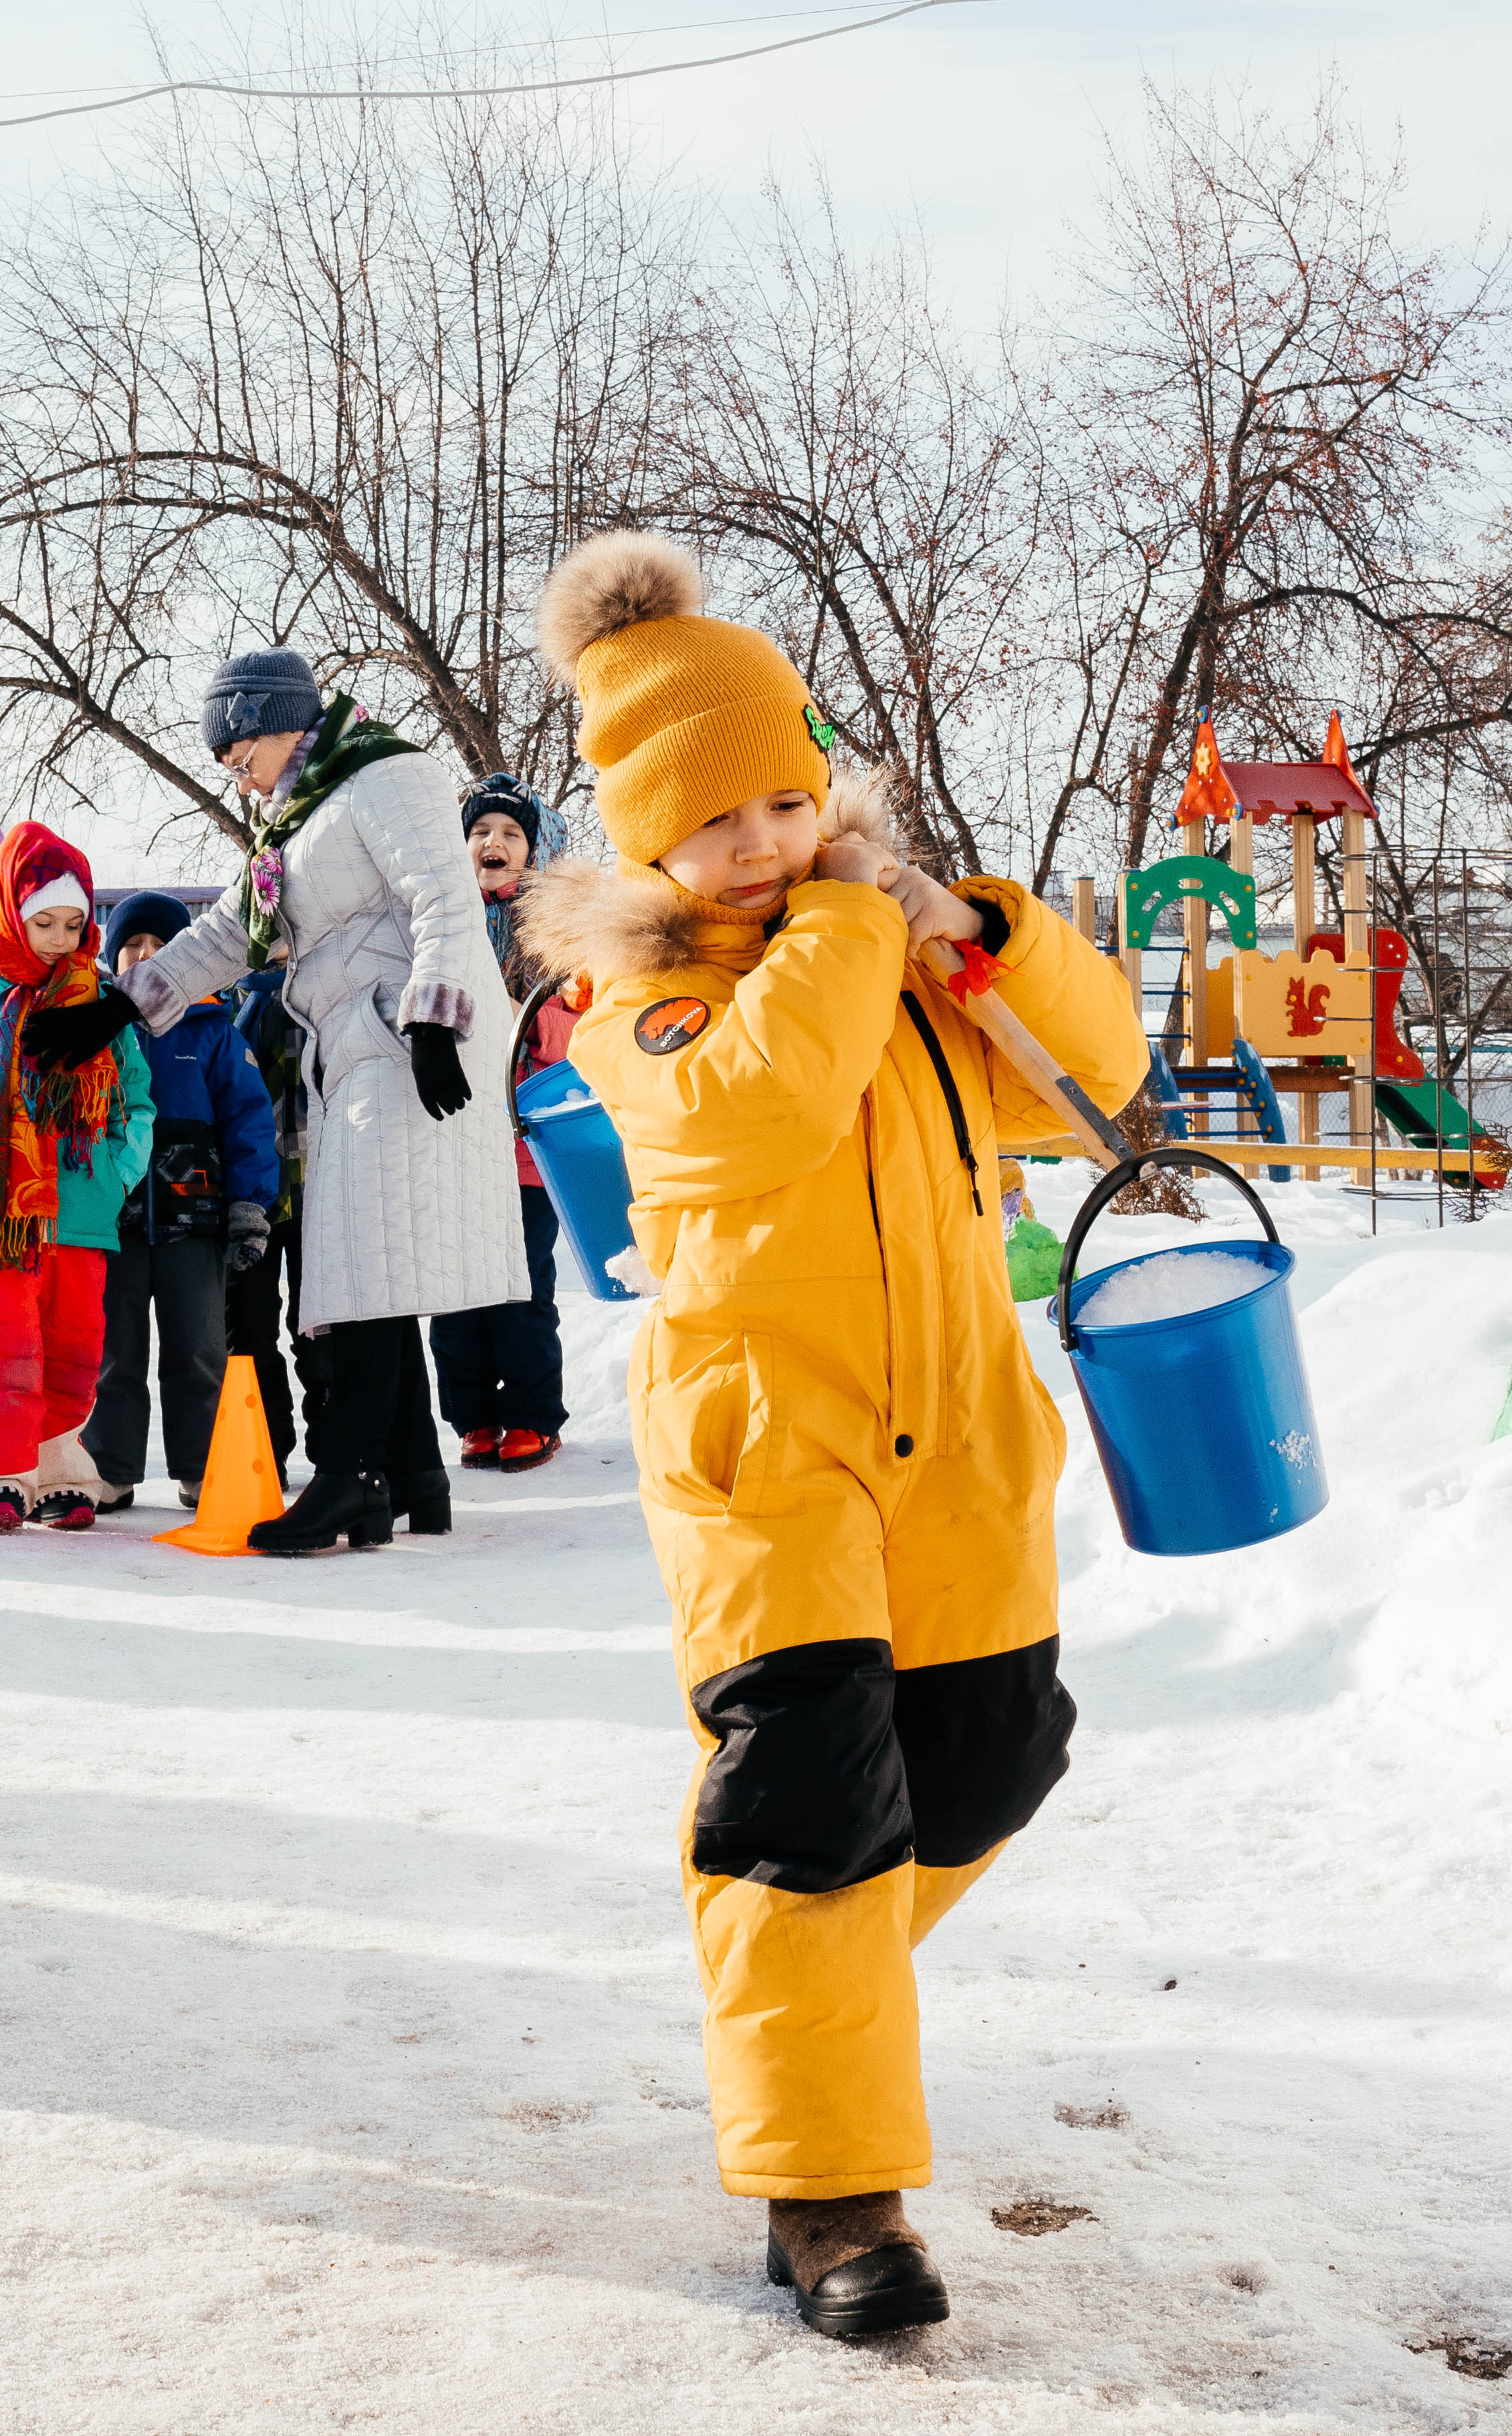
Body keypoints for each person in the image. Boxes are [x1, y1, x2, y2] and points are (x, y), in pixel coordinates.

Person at [520, 533, 1148, 2337]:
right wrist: (859, 922)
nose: (762, 845)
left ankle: (795, 2000)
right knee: (808, 1812)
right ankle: (832, 2199)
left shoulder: (893, 950)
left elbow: (1093, 1079)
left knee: (991, 1759)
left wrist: (990, 933)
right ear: (649, 843)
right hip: (767, 1460)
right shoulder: (640, 998)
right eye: (715, 822)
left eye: (788, 804)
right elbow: (763, 1104)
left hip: (957, 1443)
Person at [28, 646, 528, 1554]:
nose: (238, 776)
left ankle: (350, 1475)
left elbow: (444, 898)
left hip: (402, 1036)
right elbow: (229, 931)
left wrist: (433, 1018)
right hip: (355, 1044)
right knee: (372, 1262)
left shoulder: (388, 774)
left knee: (364, 1263)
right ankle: (411, 1475)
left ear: (279, 724)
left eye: (238, 755)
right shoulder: (299, 822)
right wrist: (120, 1005)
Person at [79, 893, 279, 1510]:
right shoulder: (97, 1027)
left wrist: (248, 1206)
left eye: (161, 946)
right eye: (132, 946)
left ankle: (201, 1466)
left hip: (195, 1221)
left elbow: (249, 1121)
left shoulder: (211, 1029)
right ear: (113, 958)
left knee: (198, 1347)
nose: (146, 957)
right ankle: (110, 1467)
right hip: (114, 1221)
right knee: (114, 1348)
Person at [0, 821, 152, 1531]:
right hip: (12, 1217)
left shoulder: (100, 1005)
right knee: (12, 1347)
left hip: (85, 1208)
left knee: (73, 1346)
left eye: (73, 924)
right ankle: (10, 1470)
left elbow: (137, 1099)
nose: (60, 941)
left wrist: (119, 1173)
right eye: (43, 924)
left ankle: (62, 1468)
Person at [429, 773, 570, 1473]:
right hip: (450, 1135)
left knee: (520, 1288)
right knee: (454, 1289)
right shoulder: (442, 927)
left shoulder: (555, 935)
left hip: (521, 1146)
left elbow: (581, 1035)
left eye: (512, 833)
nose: (494, 842)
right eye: (480, 831)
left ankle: (533, 1415)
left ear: (535, 851)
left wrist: (524, 1018)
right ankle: (474, 1416)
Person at [223, 945, 328, 1484]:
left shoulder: (326, 989)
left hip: (320, 1193)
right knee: (248, 1333)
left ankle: (336, 1456)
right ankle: (263, 1453)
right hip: (250, 1198)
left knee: (322, 1332)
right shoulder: (231, 999)